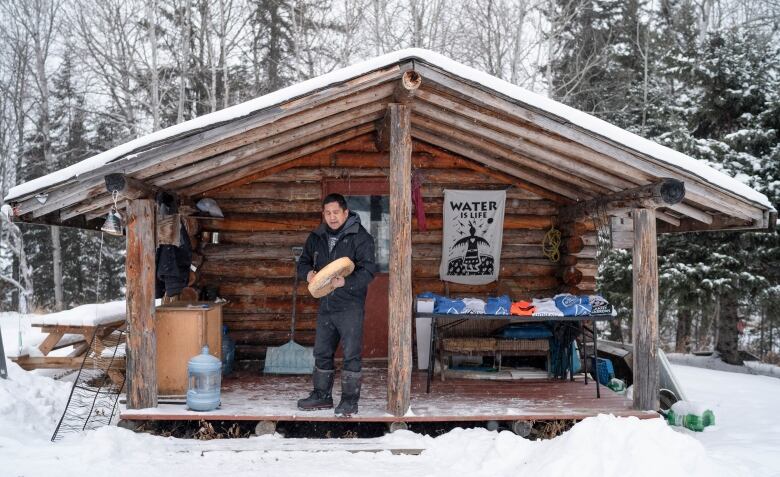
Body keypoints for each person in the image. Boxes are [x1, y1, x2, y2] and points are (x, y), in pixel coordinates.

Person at [296, 193, 376, 416]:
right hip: (326, 304)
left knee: (351, 353)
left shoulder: (360, 237)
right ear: (323, 214)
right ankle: (322, 396)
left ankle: (350, 401)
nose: (332, 217)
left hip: (350, 305)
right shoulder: (316, 236)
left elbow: (369, 270)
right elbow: (302, 262)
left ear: (345, 213)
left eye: (336, 213)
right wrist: (308, 273)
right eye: (328, 213)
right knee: (322, 351)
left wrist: (346, 281)